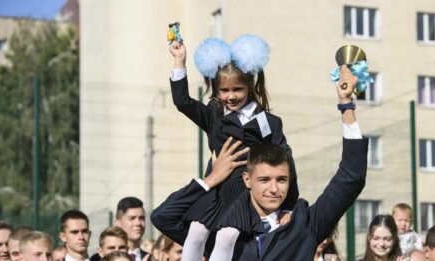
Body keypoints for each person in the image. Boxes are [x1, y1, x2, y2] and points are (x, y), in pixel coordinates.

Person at [151, 64, 367, 260]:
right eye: (264, 179)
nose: (273, 188)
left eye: (281, 179)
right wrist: (211, 179)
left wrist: (346, 104)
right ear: (247, 179)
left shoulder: (304, 224)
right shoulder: (218, 231)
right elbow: (163, 216)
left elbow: (351, 176)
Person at [168, 35, 299, 261]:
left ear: (249, 86)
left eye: (237, 89)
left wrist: (287, 206)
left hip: (243, 194)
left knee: (227, 236)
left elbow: (285, 161)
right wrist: (179, 60)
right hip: (216, 188)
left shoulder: (268, 122)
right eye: (224, 91)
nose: (230, 96)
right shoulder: (213, 114)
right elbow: (182, 102)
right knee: (196, 232)